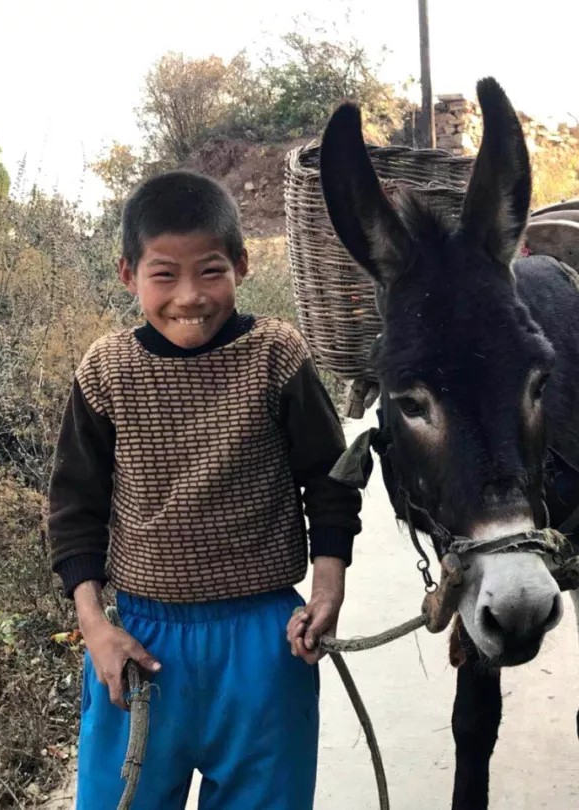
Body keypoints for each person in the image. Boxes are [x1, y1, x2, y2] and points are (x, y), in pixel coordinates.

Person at [48, 169, 361, 809]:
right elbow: (74, 509)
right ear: (127, 273)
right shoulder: (106, 372)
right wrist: (94, 628)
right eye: (164, 274)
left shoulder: (277, 356)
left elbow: (332, 481)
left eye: (210, 271)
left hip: (263, 645)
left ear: (242, 265)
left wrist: (327, 590)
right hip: (139, 641)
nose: (189, 296)